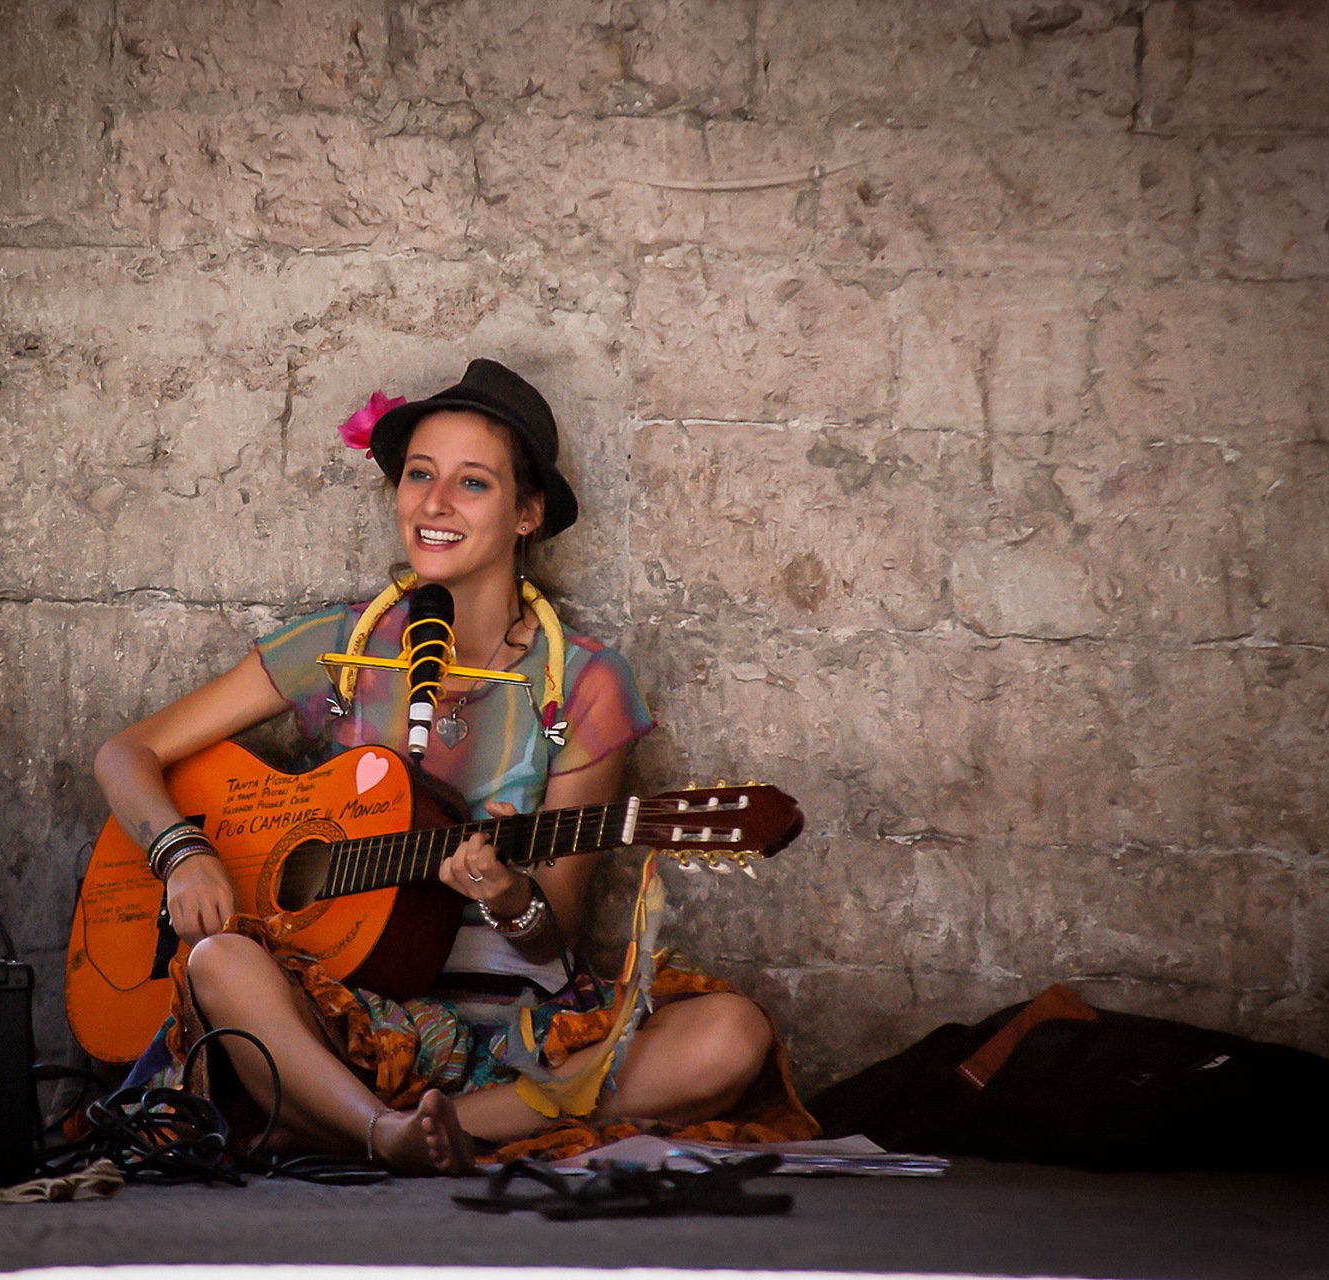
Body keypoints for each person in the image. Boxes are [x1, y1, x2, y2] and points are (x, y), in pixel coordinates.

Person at [93, 359, 811, 1174]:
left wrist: (508, 898)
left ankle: (391, 1127)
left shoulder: (582, 681)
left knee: (729, 1035)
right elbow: (126, 753)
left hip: (508, 1037)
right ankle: (375, 1125)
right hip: (341, 1019)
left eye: (472, 483)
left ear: (527, 513)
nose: (435, 504)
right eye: (419, 475)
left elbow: (553, 932)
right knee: (220, 962)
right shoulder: (339, 647)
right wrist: (181, 852)